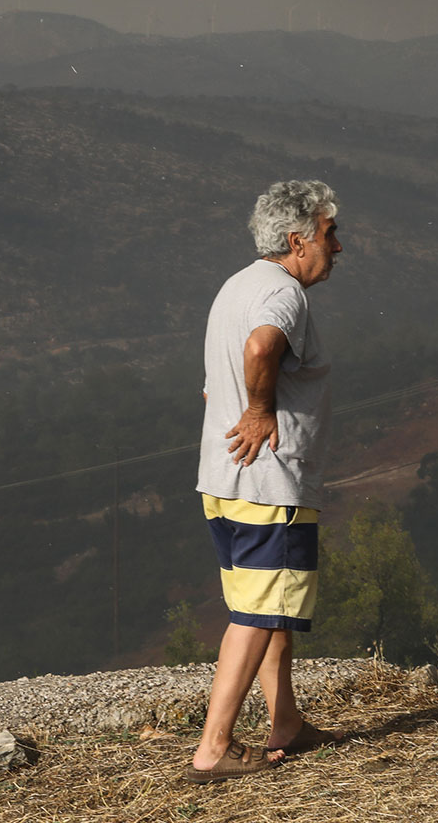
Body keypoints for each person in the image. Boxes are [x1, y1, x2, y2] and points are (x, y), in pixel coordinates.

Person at [187, 179, 346, 783]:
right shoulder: (283, 297)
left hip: (224, 480)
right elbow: (260, 348)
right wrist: (259, 412)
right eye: (330, 235)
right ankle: (214, 748)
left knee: (266, 607)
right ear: (296, 239)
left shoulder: (236, 287)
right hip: (268, 485)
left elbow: (211, 381)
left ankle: (287, 723)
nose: (338, 247)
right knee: (257, 614)